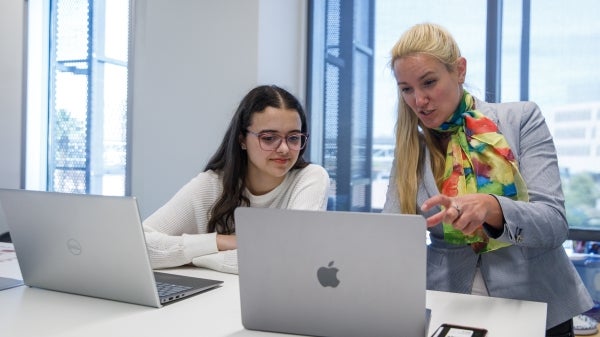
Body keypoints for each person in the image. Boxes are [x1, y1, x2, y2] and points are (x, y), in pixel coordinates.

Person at [382, 23, 593, 336]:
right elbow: (391, 237)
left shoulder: (521, 119)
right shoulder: (412, 148)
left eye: (429, 82)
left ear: (459, 70)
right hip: (450, 310)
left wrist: (492, 207)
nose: (419, 100)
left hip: (536, 305)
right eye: (406, 89)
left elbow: (554, 223)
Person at [143, 85, 330, 274]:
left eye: (294, 138)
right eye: (269, 138)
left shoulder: (310, 178)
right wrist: (220, 241)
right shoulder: (212, 183)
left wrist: (198, 257)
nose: (284, 148)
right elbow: (139, 245)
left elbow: (292, 260)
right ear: (242, 140)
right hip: (212, 299)